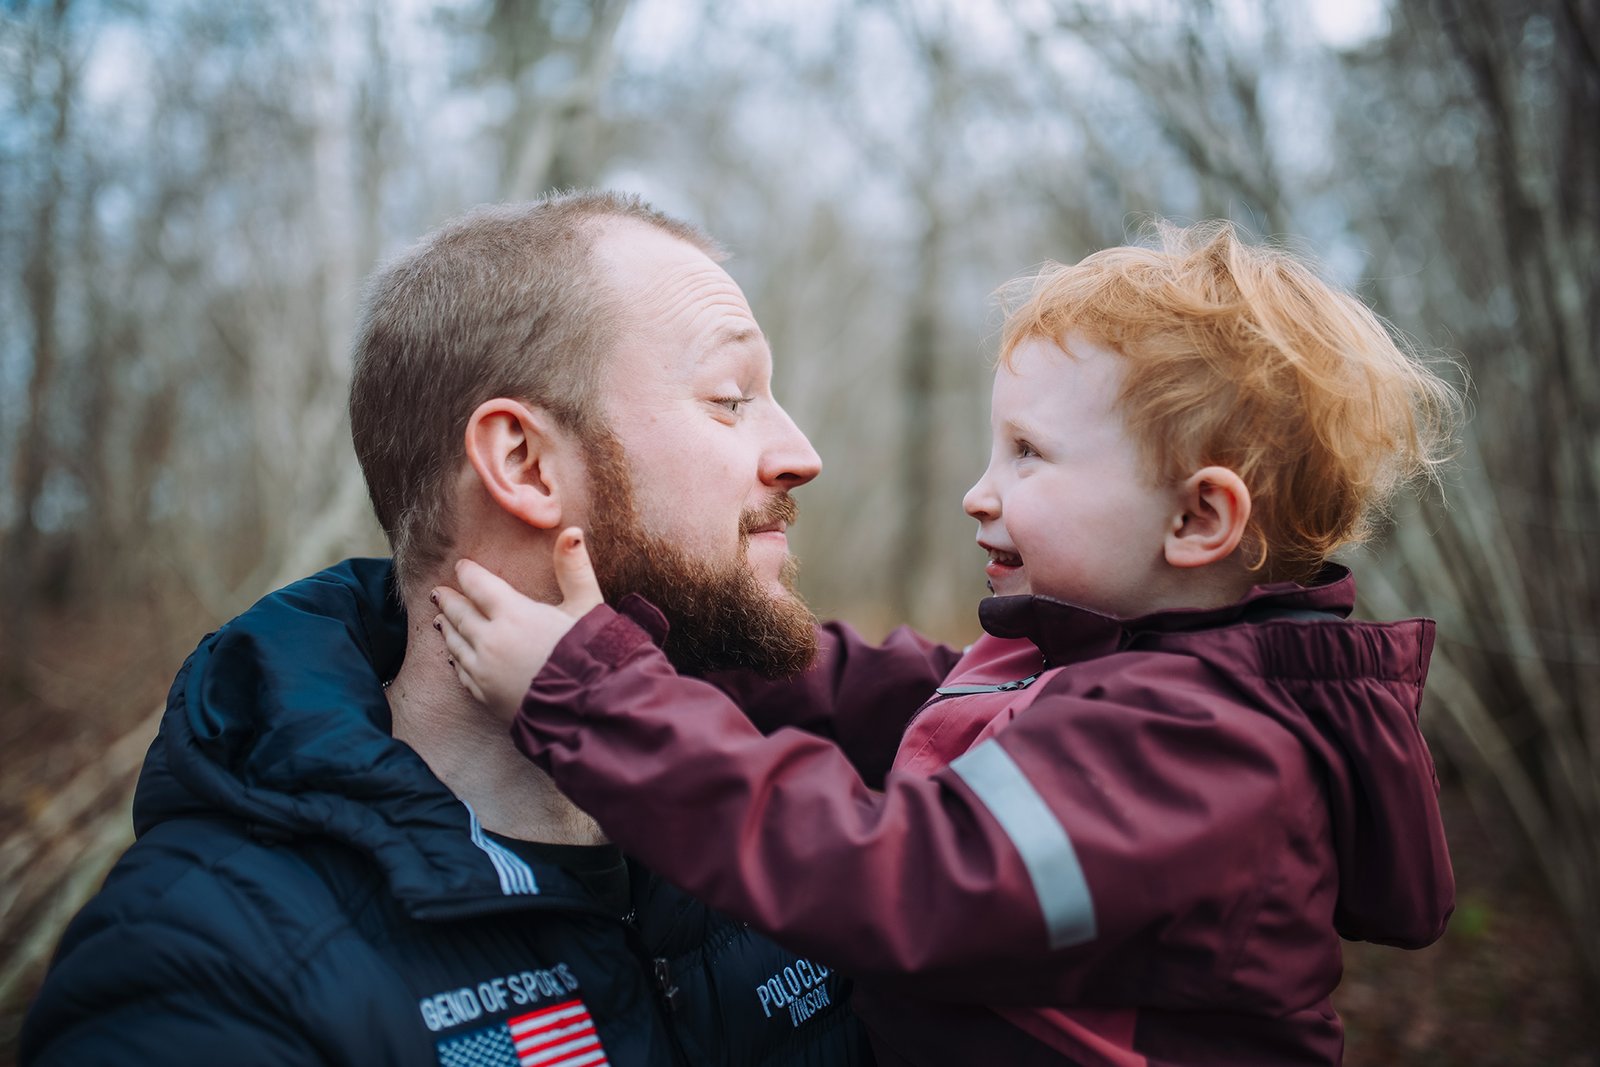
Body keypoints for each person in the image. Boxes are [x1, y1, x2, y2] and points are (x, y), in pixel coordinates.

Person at [433, 220, 1461, 1066]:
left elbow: (893, 876)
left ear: (1196, 520)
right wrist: (673, 617)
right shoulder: (1096, 672)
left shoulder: (1205, 746)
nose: (979, 491)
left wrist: (592, 693)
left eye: (1027, 454)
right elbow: (862, 690)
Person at [20, 191, 880, 1066]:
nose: (800, 452)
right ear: (523, 463)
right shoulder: (207, 971)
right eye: (731, 399)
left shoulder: (809, 816)